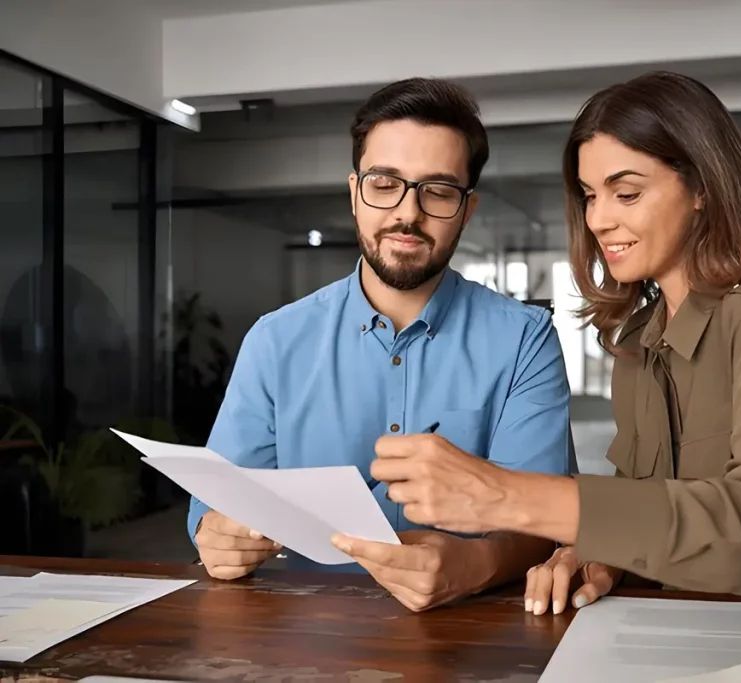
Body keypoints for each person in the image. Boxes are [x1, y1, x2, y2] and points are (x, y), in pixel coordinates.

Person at [355, 71, 741, 615]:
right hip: (708, 601)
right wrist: (600, 551)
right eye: (589, 195)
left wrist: (506, 496)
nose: (599, 219)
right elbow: (649, 501)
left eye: (625, 193)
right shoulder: (639, 337)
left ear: (702, 188)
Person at [188, 77, 574, 612]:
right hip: (306, 635)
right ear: (354, 192)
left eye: (437, 191)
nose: (408, 214)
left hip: (476, 634)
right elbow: (216, 501)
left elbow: (542, 520)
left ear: (467, 208)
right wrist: (215, 533)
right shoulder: (275, 340)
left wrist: (475, 564)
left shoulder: (524, 340)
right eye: (385, 183)